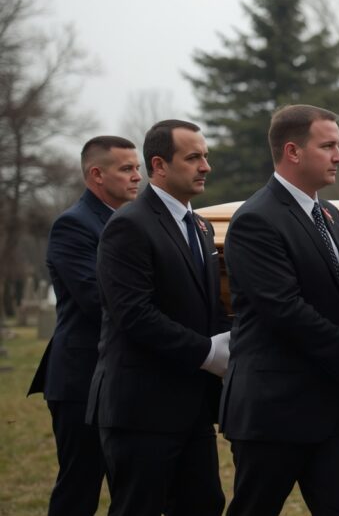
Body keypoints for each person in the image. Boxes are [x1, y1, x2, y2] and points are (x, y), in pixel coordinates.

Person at [221, 104, 339, 515]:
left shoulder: (329, 215)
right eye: (328, 145)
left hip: (329, 406)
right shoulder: (255, 219)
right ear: (293, 151)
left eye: (338, 145)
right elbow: (283, 308)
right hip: (273, 408)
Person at [87, 120, 231, 516]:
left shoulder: (199, 226)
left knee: (205, 504)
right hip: (141, 408)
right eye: (193, 157)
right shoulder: (129, 226)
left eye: (206, 156)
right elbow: (134, 314)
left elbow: (209, 307)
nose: (206, 167)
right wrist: (206, 352)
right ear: (159, 165)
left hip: (191, 406)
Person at [27, 136, 141, 516]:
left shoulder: (129, 221)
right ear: (96, 174)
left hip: (120, 376)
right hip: (81, 378)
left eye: (137, 167)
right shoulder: (74, 226)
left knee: (130, 488)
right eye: (126, 168)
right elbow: (99, 300)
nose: (136, 177)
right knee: (79, 488)